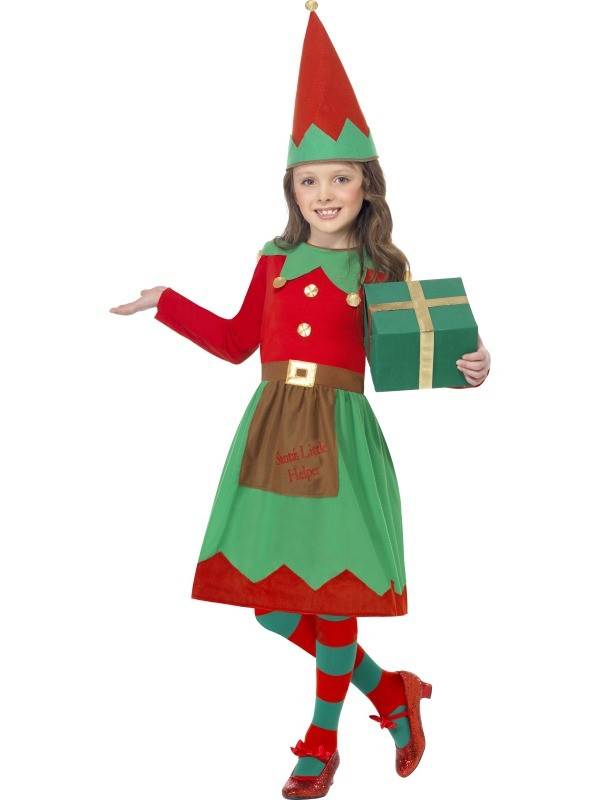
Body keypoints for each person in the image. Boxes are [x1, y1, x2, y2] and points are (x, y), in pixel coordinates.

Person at [110, 7, 490, 798]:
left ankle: (321, 741)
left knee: (334, 588)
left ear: (366, 185)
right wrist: (166, 303)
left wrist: (471, 365)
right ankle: (390, 691)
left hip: (341, 439)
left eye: (340, 178)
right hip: (273, 432)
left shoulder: (381, 271)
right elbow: (234, 342)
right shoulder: (274, 260)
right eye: (309, 180)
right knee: (274, 604)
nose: (324, 193)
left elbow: (405, 359)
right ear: (291, 188)